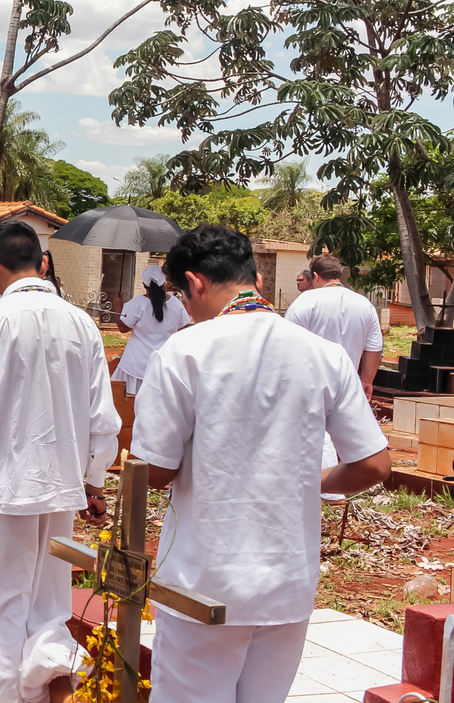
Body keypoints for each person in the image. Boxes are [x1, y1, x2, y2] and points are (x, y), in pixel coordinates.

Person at [132, 226, 390, 703]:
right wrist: (307, 481)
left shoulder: (185, 351)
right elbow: (374, 464)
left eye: (183, 298)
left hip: (203, 581)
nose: (187, 309)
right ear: (255, 278)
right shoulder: (324, 355)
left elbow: (155, 471)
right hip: (286, 581)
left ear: (196, 283)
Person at [0, 220, 122, 703]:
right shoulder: (81, 323)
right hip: (59, 490)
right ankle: (45, 691)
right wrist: (95, 482)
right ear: (42, 263)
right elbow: (103, 417)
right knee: (47, 606)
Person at [285, 254, 382, 399]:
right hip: (349, 389)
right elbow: (374, 348)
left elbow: (288, 346)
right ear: (338, 274)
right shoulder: (365, 305)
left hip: (311, 390)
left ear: (316, 276)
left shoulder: (304, 302)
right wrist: (366, 381)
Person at [112, 263, 191, 397]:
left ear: (144, 284)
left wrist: (118, 308)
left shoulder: (138, 302)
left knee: (127, 405)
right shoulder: (176, 304)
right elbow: (183, 329)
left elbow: (122, 328)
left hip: (134, 366)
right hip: (163, 365)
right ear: (163, 282)